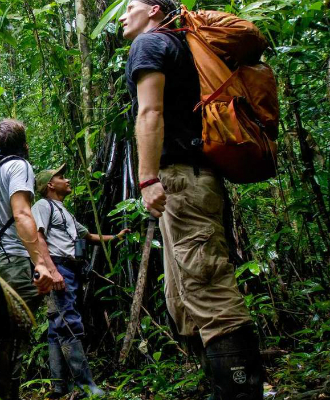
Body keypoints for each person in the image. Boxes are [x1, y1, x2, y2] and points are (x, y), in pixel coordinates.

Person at [119, 1, 264, 399]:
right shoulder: (183, 46)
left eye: (129, 6)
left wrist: (147, 178)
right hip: (196, 179)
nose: (121, 15)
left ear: (152, 10)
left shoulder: (150, 45)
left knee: (207, 287)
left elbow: (150, 112)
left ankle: (240, 392)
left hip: (181, 178)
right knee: (183, 299)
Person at [0, 118, 65, 400]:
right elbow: (21, 214)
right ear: (24, 145)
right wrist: (40, 263)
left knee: (1, 338)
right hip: (16, 261)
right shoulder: (19, 167)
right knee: (15, 339)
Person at [32, 164, 130, 398]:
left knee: (58, 327)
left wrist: (114, 237)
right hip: (59, 267)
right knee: (68, 322)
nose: (66, 180)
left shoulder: (65, 212)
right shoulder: (42, 206)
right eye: (61, 177)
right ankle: (86, 386)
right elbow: (38, 236)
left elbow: (88, 236)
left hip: (71, 269)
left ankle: (59, 387)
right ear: (50, 185)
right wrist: (51, 270)